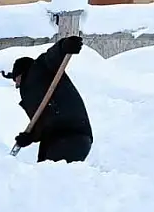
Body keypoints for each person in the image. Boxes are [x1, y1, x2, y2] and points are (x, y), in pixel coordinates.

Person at [6, 34, 93, 163]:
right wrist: (29, 137)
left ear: (21, 72)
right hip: (61, 139)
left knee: (49, 176)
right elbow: (43, 121)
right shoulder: (31, 92)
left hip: (71, 134)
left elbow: (51, 57)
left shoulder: (40, 68)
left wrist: (64, 46)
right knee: (45, 175)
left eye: (16, 78)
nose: (16, 84)